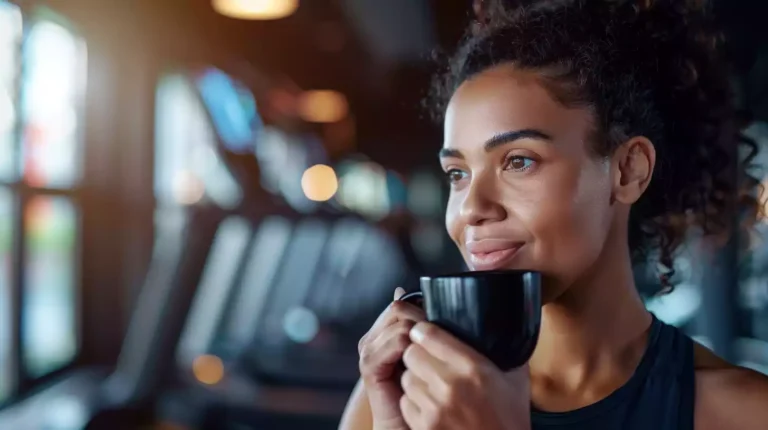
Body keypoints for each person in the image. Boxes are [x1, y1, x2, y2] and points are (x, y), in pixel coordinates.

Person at [339, 1, 768, 429]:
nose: (471, 207)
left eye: (519, 161)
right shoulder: (400, 394)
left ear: (628, 170)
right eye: (458, 173)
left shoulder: (744, 412)